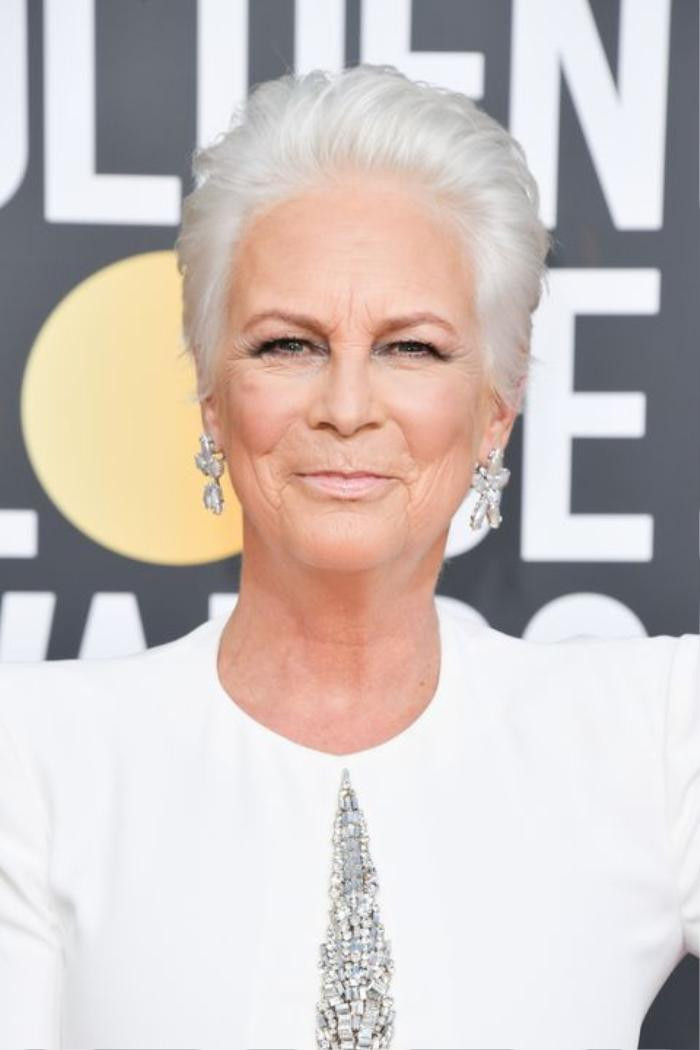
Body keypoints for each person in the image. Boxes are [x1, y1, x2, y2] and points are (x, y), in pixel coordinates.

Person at [0, 63, 697, 1050]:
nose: (346, 405)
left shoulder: (655, 731)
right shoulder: (34, 759)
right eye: (289, 345)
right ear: (212, 400)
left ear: (493, 410)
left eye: (411, 348)